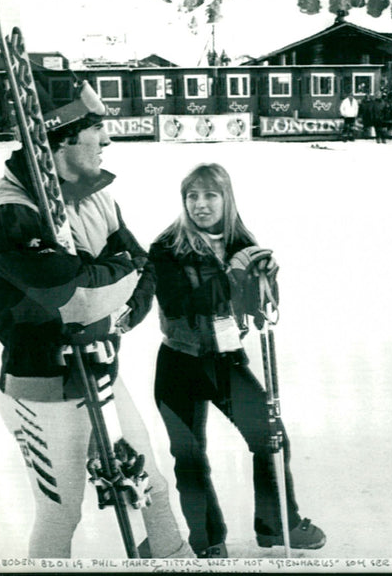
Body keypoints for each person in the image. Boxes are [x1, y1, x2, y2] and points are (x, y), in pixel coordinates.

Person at [0, 81, 193, 559]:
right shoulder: (8, 211)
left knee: (152, 484)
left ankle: (178, 563)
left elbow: (143, 266)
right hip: (42, 386)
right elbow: (72, 298)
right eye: (98, 130)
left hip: (101, 372)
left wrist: (117, 304)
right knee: (62, 512)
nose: (108, 142)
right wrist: (113, 284)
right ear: (62, 140)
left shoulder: (96, 195)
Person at [147, 163, 326, 558]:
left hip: (227, 361)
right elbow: (178, 303)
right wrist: (231, 277)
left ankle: (275, 522)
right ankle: (208, 540)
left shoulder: (240, 240)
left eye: (210, 195)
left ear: (227, 198)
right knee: (190, 456)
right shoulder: (166, 246)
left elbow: (259, 309)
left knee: (270, 437)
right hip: (180, 362)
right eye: (192, 196)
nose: (200, 204)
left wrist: (264, 282)